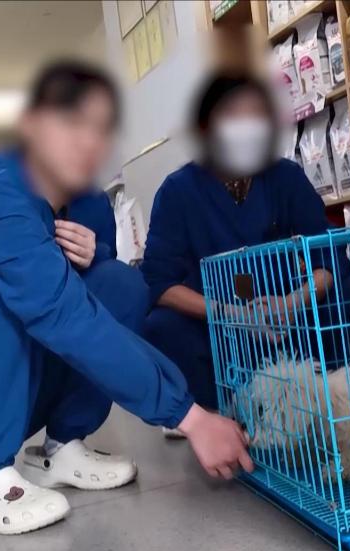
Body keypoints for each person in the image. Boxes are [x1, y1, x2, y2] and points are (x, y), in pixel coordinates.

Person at [0, 61, 253, 536]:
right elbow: (69, 318)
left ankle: (62, 449)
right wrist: (190, 416)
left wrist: (96, 253)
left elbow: (95, 307)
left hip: (13, 389)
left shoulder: (87, 201)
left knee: (120, 283)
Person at [141, 73, 335, 430]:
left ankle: (325, 400)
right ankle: (205, 415)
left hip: (283, 321)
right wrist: (229, 314)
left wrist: (292, 302)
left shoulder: (286, 178)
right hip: (213, 327)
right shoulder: (177, 192)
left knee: (349, 298)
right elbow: (160, 283)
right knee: (162, 327)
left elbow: (329, 260)